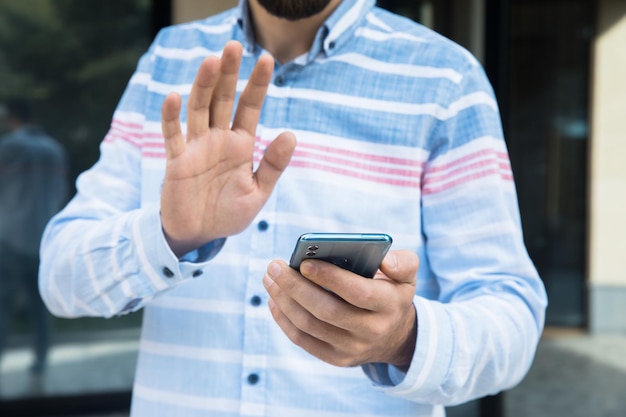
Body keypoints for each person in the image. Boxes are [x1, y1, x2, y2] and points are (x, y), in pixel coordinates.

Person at [39, 0, 548, 415]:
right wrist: (169, 235)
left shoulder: (446, 78)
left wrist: (402, 338)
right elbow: (60, 280)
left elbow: (512, 318)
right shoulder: (167, 61)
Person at [0, 98, 68, 382]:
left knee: (2, 307)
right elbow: (62, 194)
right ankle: (40, 364)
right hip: (45, 240)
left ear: (11, 117)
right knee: (41, 309)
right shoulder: (55, 150)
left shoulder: (8, 148)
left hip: (9, 239)